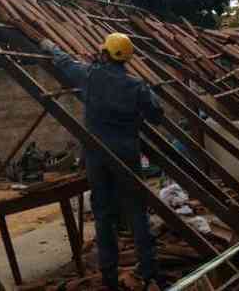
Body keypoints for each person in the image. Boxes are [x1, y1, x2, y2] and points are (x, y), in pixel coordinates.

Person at [40, 32, 165, 291]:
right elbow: (157, 116)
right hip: (127, 153)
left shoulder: (91, 76)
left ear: (106, 54)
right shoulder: (135, 86)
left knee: (103, 214)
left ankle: (109, 277)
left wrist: (50, 45)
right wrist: (149, 94)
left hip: (97, 155)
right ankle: (149, 270)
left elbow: (65, 63)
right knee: (136, 211)